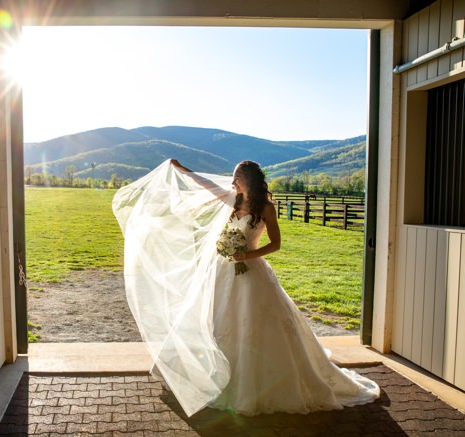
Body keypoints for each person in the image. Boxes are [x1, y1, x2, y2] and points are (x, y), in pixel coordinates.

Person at [115, 159, 380, 415]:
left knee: (253, 325)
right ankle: (198, 374)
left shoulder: (265, 208)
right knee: (208, 318)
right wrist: (183, 170)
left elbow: (275, 244)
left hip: (251, 273)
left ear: (249, 180)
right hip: (221, 272)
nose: (232, 181)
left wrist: (247, 256)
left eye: (237, 177)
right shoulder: (233, 200)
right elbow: (207, 184)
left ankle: (252, 384)